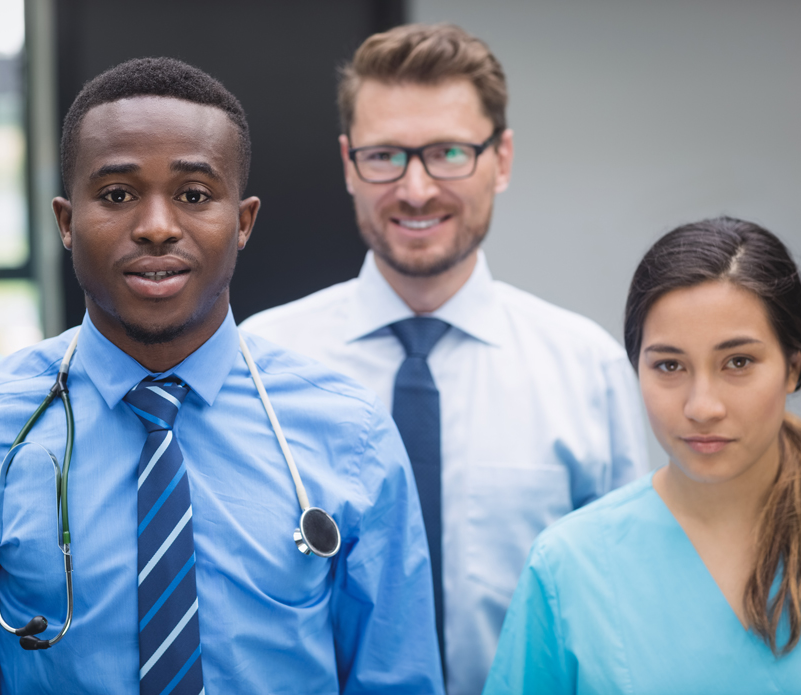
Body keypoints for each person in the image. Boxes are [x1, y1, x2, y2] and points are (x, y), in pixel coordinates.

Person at [0, 57, 443, 694]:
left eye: (194, 196)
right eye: (116, 196)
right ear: (66, 222)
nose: (156, 228)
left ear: (244, 221)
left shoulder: (351, 434)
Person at [240, 23, 648, 694]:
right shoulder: (262, 362)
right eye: (384, 156)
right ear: (348, 163)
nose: (417, 188)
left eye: (449, 152)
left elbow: (621, 610)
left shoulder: (587, 369)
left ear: (503, 158)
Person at [484, 217, 801, 693]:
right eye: (669, 366)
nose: (702, 407)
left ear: (793, 369)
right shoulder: (569, 566)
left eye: (738, 362)